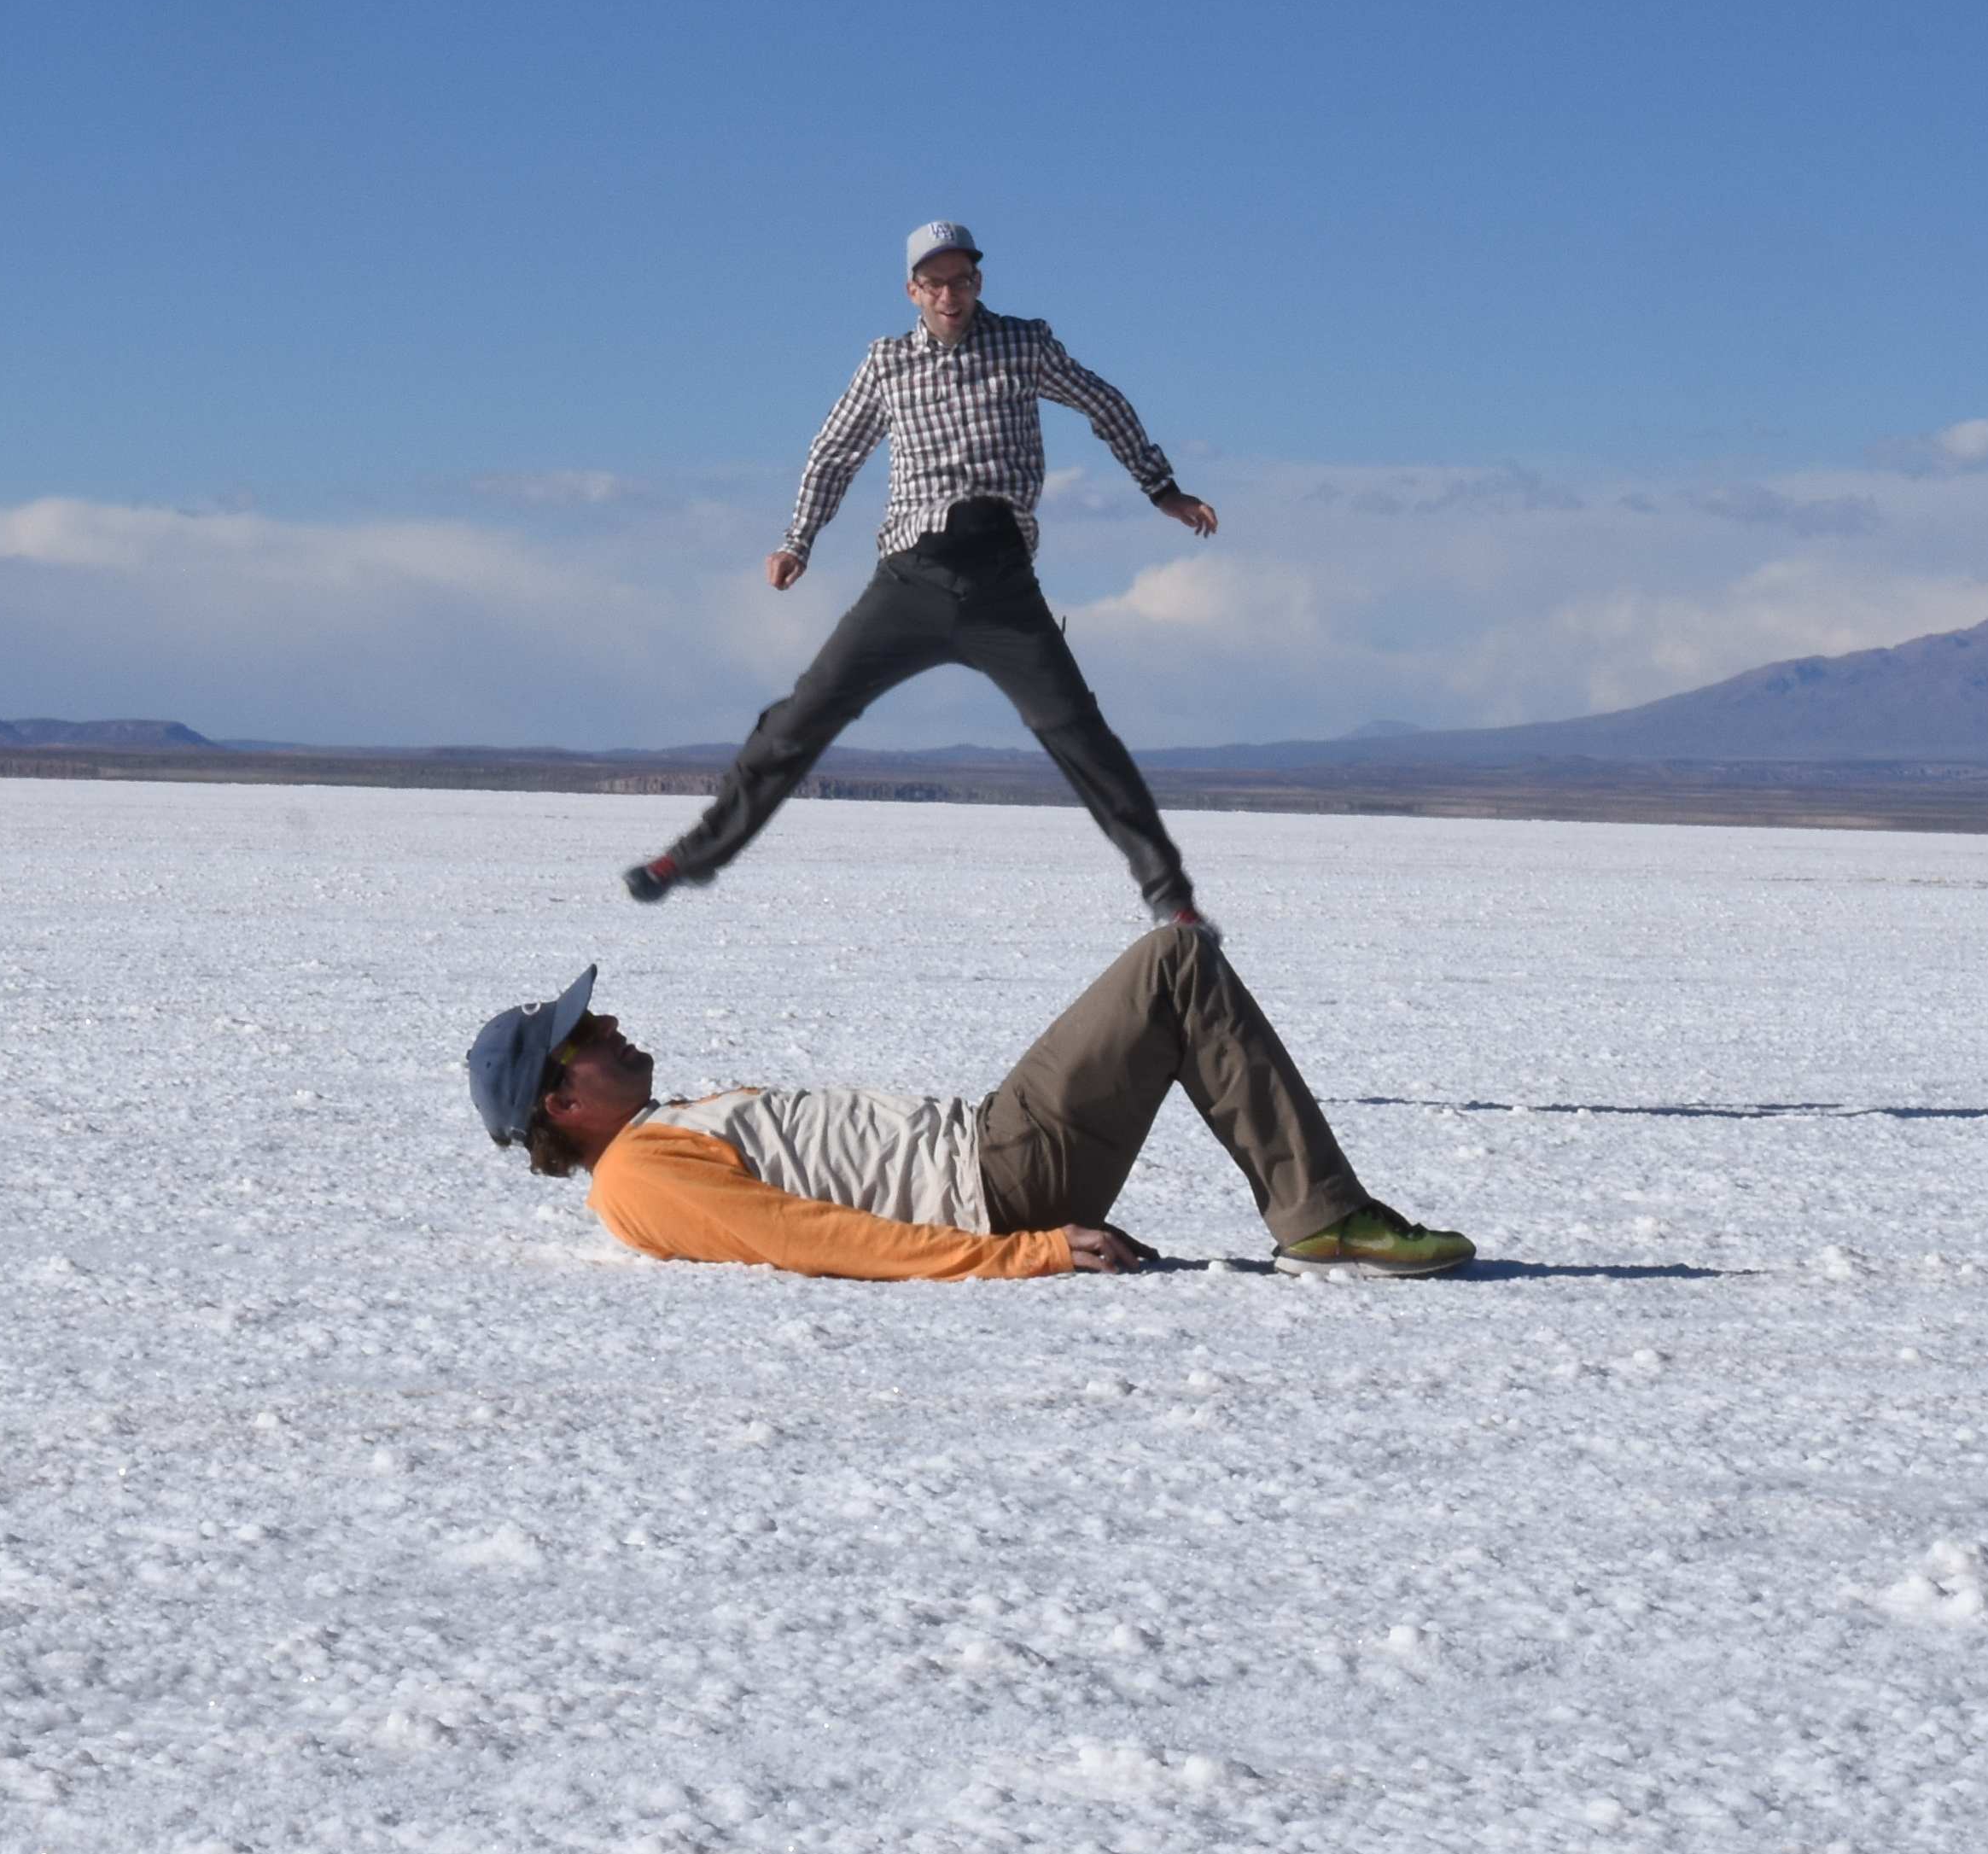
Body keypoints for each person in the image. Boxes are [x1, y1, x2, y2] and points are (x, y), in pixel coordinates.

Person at [624, 220, 1221, 919]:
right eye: (934, 283)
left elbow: (1104, 403)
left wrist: (1161, 489)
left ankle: (1172, 900)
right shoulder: (886, 364)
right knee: (799, 718)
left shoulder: (1023, 344)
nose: (949, 295)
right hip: (910, 581)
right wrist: (797, 541)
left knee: (1079, 734)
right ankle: (690, 856)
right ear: (912, 290)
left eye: (961, 280)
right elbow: (833, 454)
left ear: (978, 282)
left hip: (1003, 588)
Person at [463, 928, 1477, 1279]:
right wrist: (1031, 1251)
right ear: (561, 1099)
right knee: (1173, 963)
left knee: (1175, 969)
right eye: (587, 1035)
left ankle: (1322, 1216)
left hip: (995, 1154)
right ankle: (1325, 1219)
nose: (612, 1025)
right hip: (994, 1176)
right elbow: (817, 1241)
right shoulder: (637, 1178)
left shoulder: (654, 1136)